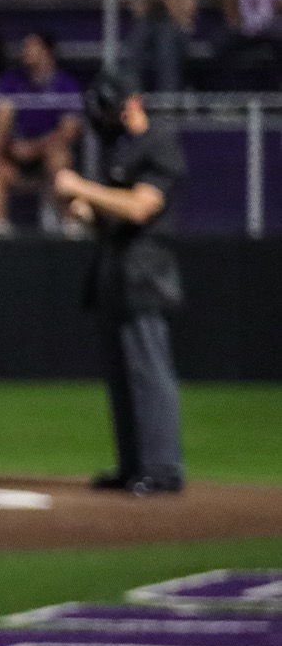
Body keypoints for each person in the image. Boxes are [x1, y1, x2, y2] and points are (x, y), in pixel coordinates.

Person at [54, 71, 188, 496]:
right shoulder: (118, 151)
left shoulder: (159, 144)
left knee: (148, 368)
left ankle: (163, 467)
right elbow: (112, 213)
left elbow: (140, 208)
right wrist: (85, 212)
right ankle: (133, 464)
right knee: (121, 372)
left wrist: (82, 188)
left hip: (145, 269)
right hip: (113, 265)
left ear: (133, 103)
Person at [0, 31, 84, 235]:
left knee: (60, 158)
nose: (25, 52)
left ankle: (70, 224)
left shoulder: (66, 85)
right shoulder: (13, 81)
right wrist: (4, 149)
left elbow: (69, 131)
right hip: (16, 155)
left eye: (32, 46)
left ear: (48, 51)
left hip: (47, 154)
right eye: (25, 47)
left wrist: (34, 148)